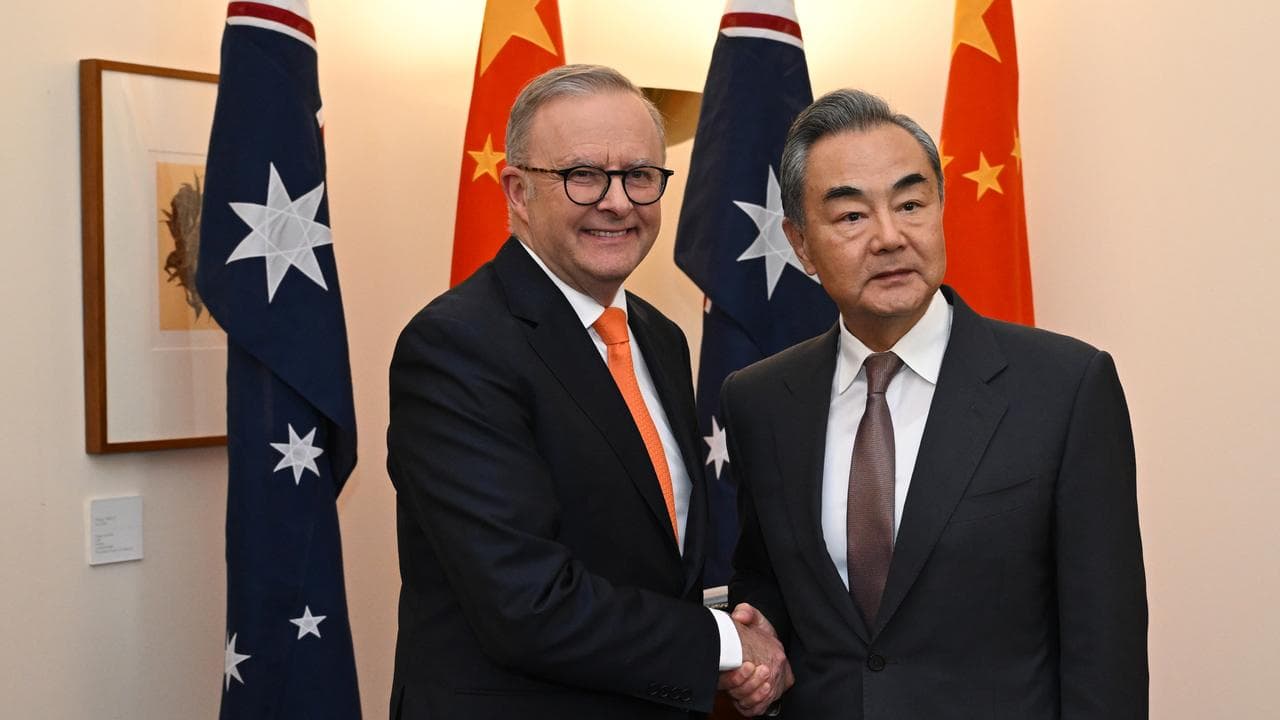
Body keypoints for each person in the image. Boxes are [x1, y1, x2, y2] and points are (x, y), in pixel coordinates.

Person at [721, 89, 1148, 718]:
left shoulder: (1066, 386)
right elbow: (770, 592)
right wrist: (755, 651)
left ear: (941, 210)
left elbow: (1104, 650)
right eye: (851, 217)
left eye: (911, 204)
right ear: (801, 244)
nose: (890, 238)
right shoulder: (759, 399)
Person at [386, 64, 789, 720]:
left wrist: (746, 622)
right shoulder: (456, 347)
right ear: (518, 191)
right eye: (582, 175)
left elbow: (653, 561)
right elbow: (525, 603)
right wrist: (724, 644)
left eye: (639, 175)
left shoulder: (657, 337)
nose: (617, 201)